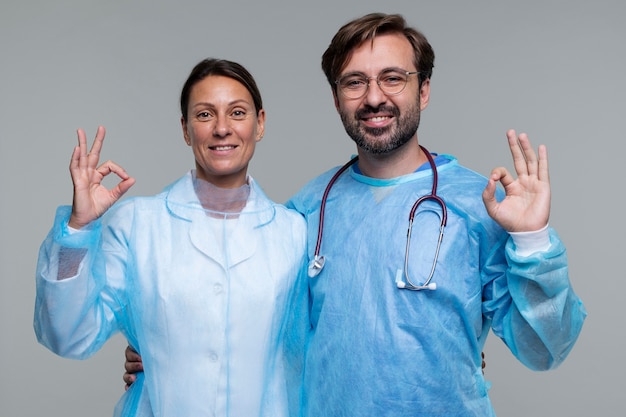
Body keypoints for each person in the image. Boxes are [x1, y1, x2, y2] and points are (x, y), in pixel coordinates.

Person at [124, 12, 587, 416]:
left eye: (393, 77)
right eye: (354, 82)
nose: (373, 98)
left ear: (423, 89)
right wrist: (169, 350)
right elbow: (255, 315)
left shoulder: (478, 205)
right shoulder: (307, 210)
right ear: (336, 98)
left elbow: (544, 348)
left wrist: (532, 240)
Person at [34, 58, 307, 417]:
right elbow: (68, 336)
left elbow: (315, 347)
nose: (222, 128)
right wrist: (78, 228)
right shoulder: (138, 225)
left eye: (237, 113)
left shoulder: (293, 231)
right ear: (185, 128)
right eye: (205, 115)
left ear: (260, 123)